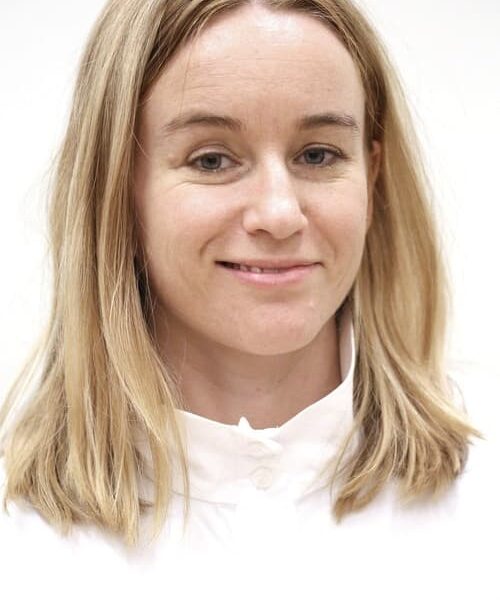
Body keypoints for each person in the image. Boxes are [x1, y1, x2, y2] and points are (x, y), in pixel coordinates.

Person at [0, 1, 498, 598]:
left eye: (317, 155)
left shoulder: (483, 507)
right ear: (117, 190)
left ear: (372, 175)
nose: (280, 214)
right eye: (212, 160)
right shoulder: (18, 543)